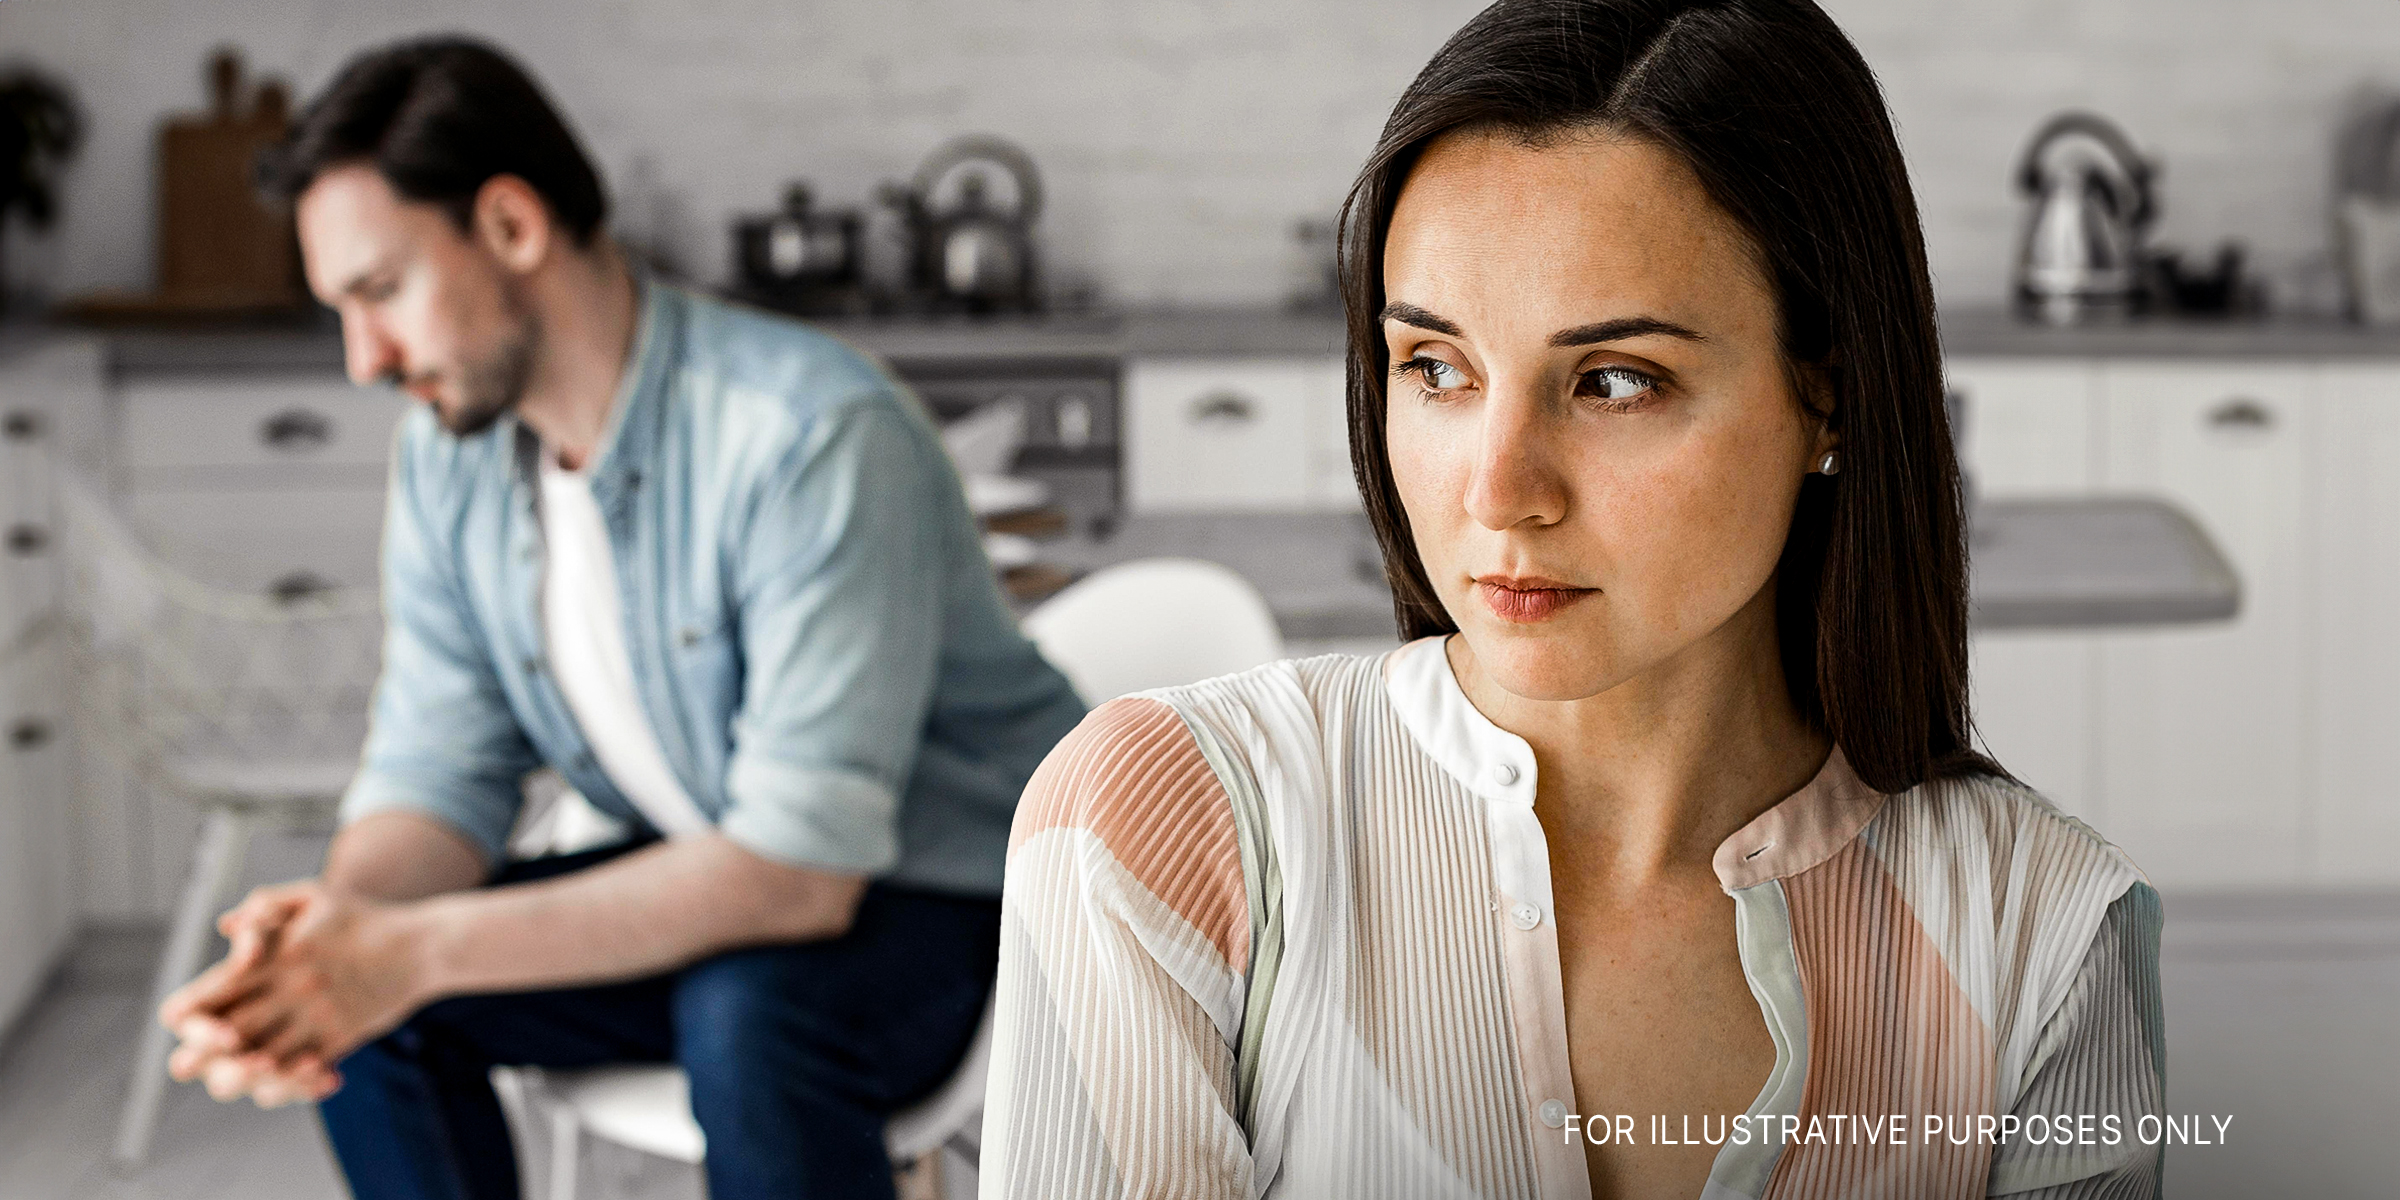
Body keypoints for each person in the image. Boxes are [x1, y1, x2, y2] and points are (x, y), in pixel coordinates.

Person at [980, 1, 2165, 1197]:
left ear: (1831, 400)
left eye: (1612, 381)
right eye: (1434, 368)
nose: (1499, 492)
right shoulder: (1153, 834)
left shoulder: (2046, 932)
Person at [153, 36, 1087, 1200]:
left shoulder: (809, 436)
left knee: (746, 1015)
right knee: (375, 1015)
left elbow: (797, 873)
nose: (362, 361)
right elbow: (438, 776)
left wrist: (408, 951)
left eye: (381, 293)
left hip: (950, 892)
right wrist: (333, 944)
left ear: (510, 226)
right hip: (723, 873)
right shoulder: (451, 460)